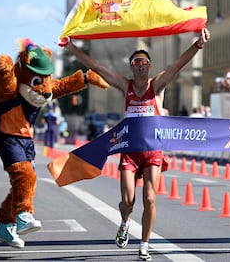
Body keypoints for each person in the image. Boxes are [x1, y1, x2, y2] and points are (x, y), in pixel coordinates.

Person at [66, 28, 210, 261]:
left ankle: (144, 245)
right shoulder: (126, 86)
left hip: (152, 151)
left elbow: (177, 65)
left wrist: (198, 44)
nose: (140, 65)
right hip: (130, 153)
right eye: (136, 62)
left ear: (149, 66)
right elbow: (98, 68)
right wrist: (73, 48)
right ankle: (124, 222)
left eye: (144, 62)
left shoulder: (158, 84)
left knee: (150, 199)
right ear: (132, 66)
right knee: (127, 201)